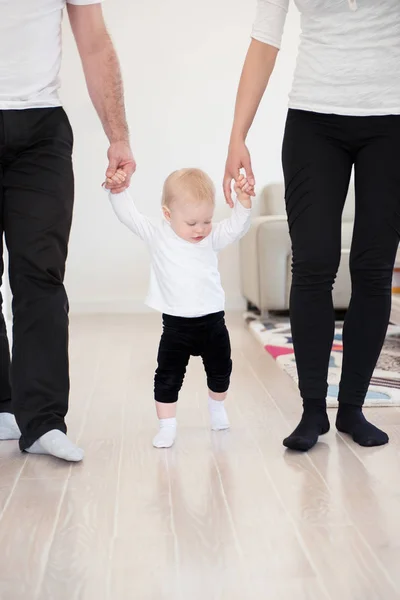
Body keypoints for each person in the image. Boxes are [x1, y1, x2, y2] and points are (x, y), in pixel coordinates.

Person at [224, 0, 400, 451]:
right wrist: (237, 136)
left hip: (392, 119)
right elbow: (264, 41)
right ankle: (312, 410)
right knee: (313, 262)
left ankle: (353, 409)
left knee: (374, 266)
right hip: (312, 121)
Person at [0, 1, 135, 461]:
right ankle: (3, 405)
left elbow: (94, 41)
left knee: (40, 271)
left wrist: (118, 136)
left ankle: (42, 422)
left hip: (40, 129)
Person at [105, 168, 252, 448]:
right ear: (168, 214)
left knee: (221, 371)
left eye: (207, 220)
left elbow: (236, 228)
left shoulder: (211, 236)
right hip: (176, 327)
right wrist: (118, 190)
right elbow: (129, 216)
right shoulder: (157, 233)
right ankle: (167, 425)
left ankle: (217, 407)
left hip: (213, 323)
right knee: (168, 376)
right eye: (192, 222)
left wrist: (243, 202)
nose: (200, 229)